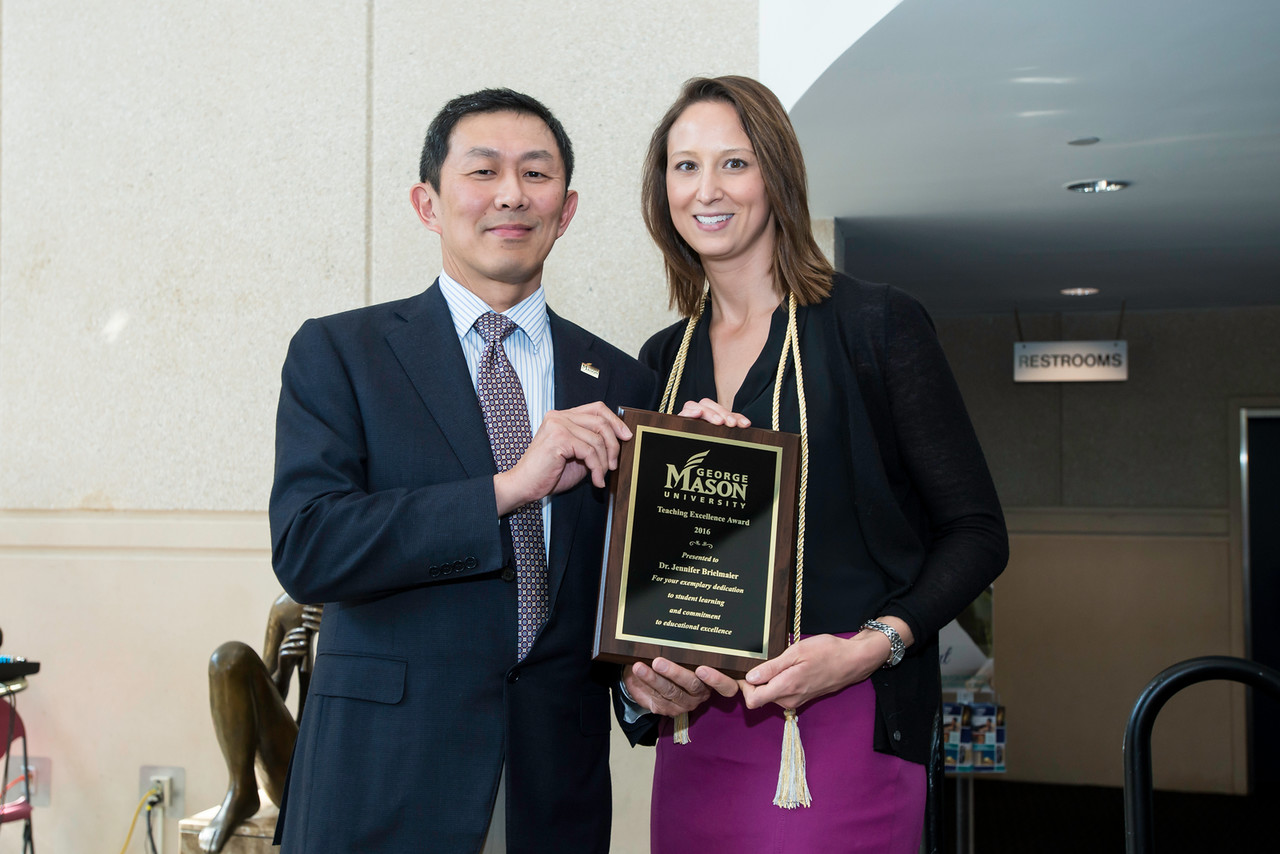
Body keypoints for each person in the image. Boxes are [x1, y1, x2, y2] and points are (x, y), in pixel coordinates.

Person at [621, 76, 1008, 853]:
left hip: (844, 715)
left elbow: (976, 533)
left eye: (734, 163)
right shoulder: (662, 362)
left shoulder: (874, 326)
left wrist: (867, 649)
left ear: (778, 174)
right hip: (697, 735)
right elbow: (656, 575)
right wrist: (641, 677)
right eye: (684, 166)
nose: (706, 190)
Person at [269, 88, 659, 853]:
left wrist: (647, 683)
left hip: (554, 790)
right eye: (482, 171)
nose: (511, 194)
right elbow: (309, 546)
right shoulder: (342, 354)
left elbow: (622, 592)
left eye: (536, 174)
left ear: (567, 208)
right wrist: (507, 489)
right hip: (381, 781)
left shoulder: (621, 382)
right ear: (428, 202)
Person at [199, 594, 321, 853]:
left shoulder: (365, 599)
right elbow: (258, 703)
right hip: (291, 768)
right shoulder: (287, 608)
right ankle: (241, 788)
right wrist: (284, 670)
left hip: (343, 763)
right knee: (229, 658)